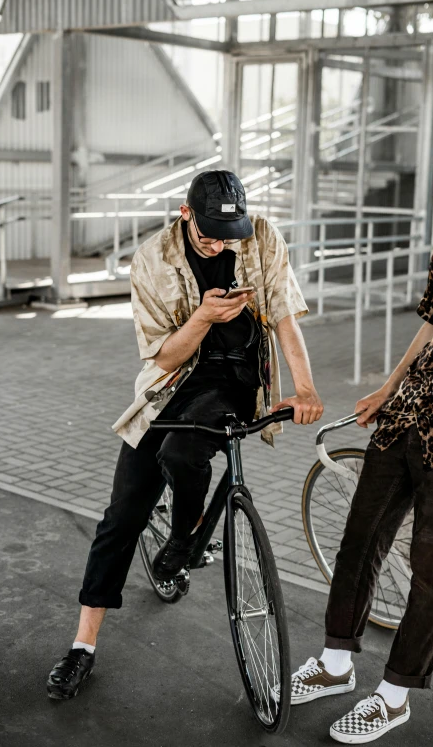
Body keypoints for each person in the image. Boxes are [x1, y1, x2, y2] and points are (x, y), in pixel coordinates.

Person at [47, 169, 323, 700]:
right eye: (208, 233)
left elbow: (286, 317)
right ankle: (82, 646)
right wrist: (201, 317)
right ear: (185, 213)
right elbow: (162, 355)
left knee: (183, 452)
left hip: (233, 383)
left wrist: (306, 389)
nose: (219, 242)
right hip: (168, 385)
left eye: (228, 232)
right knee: (121, 516)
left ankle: (181, 539)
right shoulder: (151, 260)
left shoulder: (262, 237)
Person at [284, 129, 433, 743]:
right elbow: (432, 325)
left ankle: (396, 694)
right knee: (361, 538)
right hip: (407, 415)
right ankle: (334, 664)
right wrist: (389, 385)